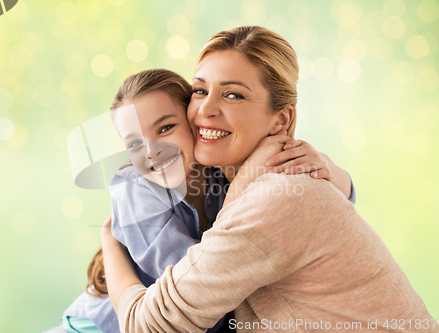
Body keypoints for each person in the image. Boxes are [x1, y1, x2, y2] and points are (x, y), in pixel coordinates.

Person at [100, 26, 437, 333]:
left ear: (281, 120)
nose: (205, 110)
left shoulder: (278, 196)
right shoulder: (240, 179)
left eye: (234, 95)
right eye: (200, 90)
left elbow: (149, 326)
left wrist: (110, 245)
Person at [47, 65, 355, 333]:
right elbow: (200, 292)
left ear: (195, 124)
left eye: (166, 128)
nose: (152, 151)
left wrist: (329, 169)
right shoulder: (134, 191)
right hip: (98, 327)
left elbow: (322, 215)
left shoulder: (221, 170)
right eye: (134, 144)